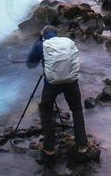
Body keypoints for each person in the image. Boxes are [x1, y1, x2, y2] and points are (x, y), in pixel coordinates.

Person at [26, 27, 87, 156]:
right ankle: (82, 144)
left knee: (46, 110)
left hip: (51, 84)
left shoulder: (41, 45)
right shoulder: (67, 42)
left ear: (43, 35)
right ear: (56, 34)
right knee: (76, 109)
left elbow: (29, 64)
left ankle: (49, 147)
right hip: (71, 82)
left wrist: (37, 46)